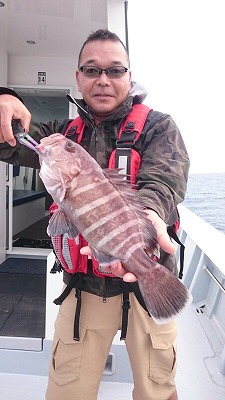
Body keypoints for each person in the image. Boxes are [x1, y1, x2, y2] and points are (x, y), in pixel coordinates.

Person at [0, 29, 189, 400]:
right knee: (66, 392)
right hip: (82, 289)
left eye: (115, 70)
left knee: (157, 392)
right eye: (91, 69)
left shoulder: (158, 127)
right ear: (78, 78)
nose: (103, 79)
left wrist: (149, 217)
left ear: (129, 77)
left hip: (146, 288)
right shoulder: (60, 135)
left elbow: (164, 181)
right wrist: (5, 99)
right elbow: (11, 142)